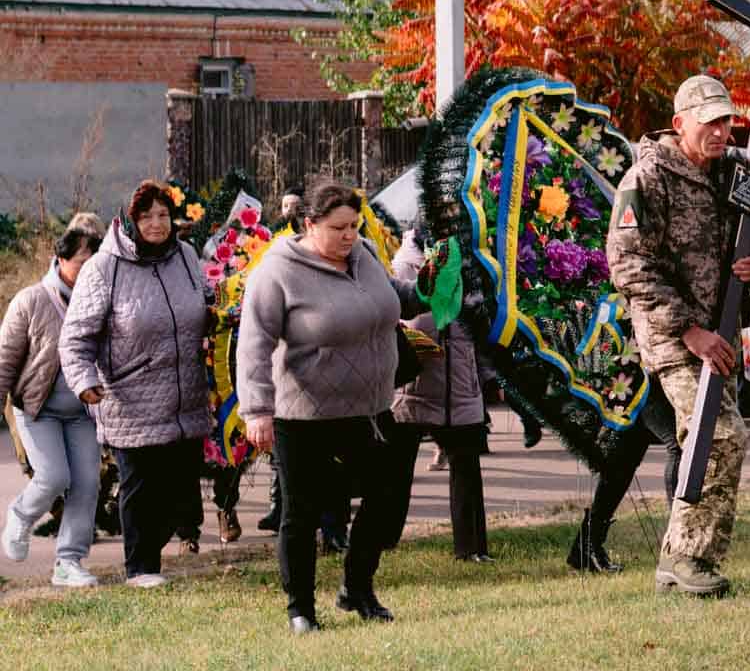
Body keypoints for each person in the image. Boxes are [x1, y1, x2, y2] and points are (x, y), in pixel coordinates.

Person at [237, 181, 428, 633]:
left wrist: (431, 287)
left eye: (354, 226)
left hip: (369, 408)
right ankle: (300, 608)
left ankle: (356, 588)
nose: (349, 236)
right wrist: (256, 411)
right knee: (301, 514)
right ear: (309, 224)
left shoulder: (363, 254)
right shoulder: (278, 270)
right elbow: (253, 343)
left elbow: (396, 298)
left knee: (385, 500)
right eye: (338, 227)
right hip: (303, 414)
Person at [606, 73, 750, 599]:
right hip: (676, 335)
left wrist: (748, 263)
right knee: (718, 438)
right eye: (710, 122)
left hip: (721, 329)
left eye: (726, 122)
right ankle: (687, 557)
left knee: (710, 441)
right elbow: (626, 264)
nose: (721, 132)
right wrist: (689, 329)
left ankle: (686, 559)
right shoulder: (648, 177)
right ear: (680, 124)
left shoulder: (733, 172)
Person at [58, 180, 211, 587]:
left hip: (186, 395)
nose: (157, 224)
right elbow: (75, 337)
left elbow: (201, 303)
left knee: (179, 490)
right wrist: (84, 381)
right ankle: (140, 569)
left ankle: (150, 553)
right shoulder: (104, 268)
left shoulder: (187, 256)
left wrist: (218, 317)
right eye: (147, 216)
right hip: (130, 398)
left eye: (163, 215)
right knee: (142, 487)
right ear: (130, 219)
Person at [1, 224, 105, 586]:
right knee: (53, 476)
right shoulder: (32, 300)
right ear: (60, 260)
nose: (89, 269)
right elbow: (5, 360)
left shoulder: (100, 302)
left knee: (88, 483)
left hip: (82, 412)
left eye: (95, 262)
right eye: (82, 262)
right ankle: (20, 514)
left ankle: (69, 562)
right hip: (36, 408)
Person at [391, 228, 490, 563]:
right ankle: (384, 538)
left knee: (466, 466)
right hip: (416, 383)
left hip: (460, 382)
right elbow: (396, 313)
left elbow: (483, 312)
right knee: (396, 471)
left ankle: (472, 547)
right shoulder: (405, 263)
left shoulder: (471, 261)